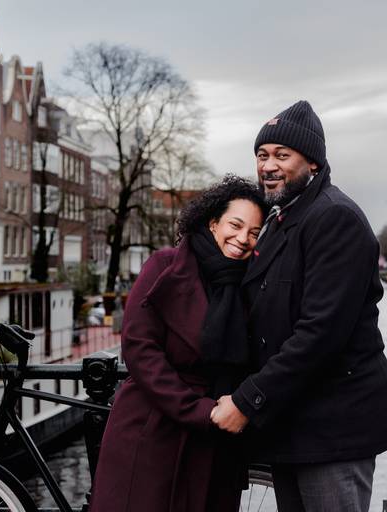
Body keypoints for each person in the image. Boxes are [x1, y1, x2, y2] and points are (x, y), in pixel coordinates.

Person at [211, 100, 387, 511]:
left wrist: (248, 400)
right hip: (294, 423)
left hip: (334, 428)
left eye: (282, 155)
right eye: (262, 155)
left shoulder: (335, 218)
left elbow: (321, 334)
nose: (268, 166)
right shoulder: (280, 220)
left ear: (312, 163)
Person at [89, 176, 266, 512]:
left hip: (216, 438)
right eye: (236, 225)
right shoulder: (166, 266)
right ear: (213, 222)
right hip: (153, 428)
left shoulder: (251, 283)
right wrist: (200, 410)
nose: (242, 239)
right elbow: (140, 348)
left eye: (254, 233)